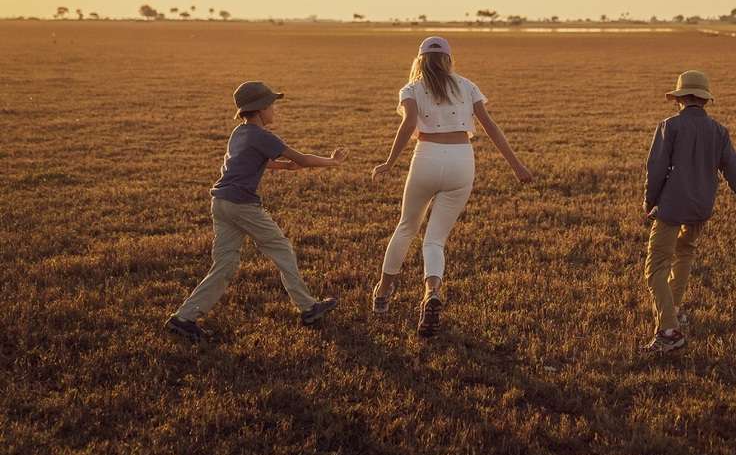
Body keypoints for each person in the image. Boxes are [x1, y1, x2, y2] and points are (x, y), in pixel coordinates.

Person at [371, 36, 532, 337]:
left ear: (419, 60)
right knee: (435, 240)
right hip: (461, 161)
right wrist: (517, 166)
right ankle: (431, 291)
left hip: (426, 158)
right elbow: (490, 126)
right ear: (448, 59)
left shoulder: (412, 89)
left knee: (406, 227)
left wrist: (389, 162)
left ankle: (383, 292)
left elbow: (408, 125)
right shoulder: (467, 86)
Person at [165, 81, 347, 342]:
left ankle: (184, 318)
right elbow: (303, 159)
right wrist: (332, 161)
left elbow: (253, 161)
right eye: (272, 105)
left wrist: (284, 168)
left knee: (225, 264)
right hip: (242, 205)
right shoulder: (263, 136)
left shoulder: (239, 133)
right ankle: (308, 307)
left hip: (221, 203)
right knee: (281, 248)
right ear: (260, 109)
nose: (275, 110)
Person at [641, 70, 736, 354]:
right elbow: (735, 172)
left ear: (680, 99)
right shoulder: (719, 131)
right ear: (705, 101)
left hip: (672, 206)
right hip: (701, 207)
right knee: (684, 254)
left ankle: (669, 331)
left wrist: (649, 203)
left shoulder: (669, 127)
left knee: (656, 266)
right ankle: (674, 309)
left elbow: (655, 169)